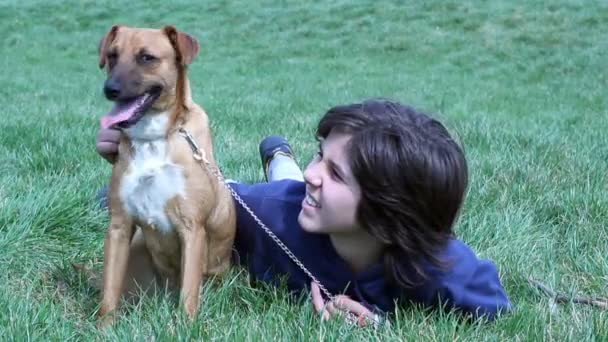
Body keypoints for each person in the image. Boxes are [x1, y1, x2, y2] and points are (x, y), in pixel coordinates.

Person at [96, 98, 511, 325]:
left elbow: (495, 308)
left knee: (294, 181)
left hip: (295, 197)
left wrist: (382, 329)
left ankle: (281, 155)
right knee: (290, 185)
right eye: (320, 156)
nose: (317, 173)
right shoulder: (263, 216)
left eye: (336, 173)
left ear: (390, 217)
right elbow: (194, 202)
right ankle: (279, 155)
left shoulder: (439, 264)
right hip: (278, 196)